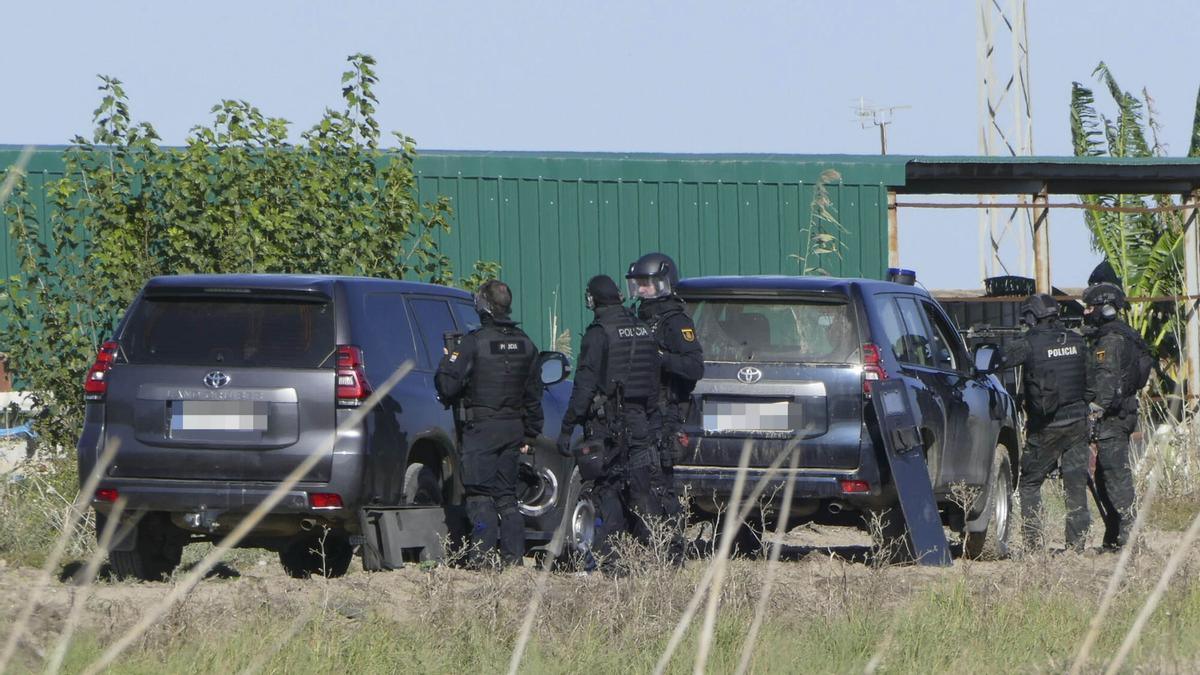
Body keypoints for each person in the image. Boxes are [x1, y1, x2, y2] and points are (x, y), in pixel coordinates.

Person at [435, 279, 543, 567]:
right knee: (507, 496)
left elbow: (447, 386)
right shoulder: (526, 343)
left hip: (481, 429)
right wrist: (530, 433)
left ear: (482, 305)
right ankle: (513, 560)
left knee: (479, 495)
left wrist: (447, 360)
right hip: (513, 431)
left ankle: (481, 559)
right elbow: (534, 395)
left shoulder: (473, 343)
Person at [557, 275, 661, 571]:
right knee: (641, 492)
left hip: (608, 428)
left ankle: (609, 562)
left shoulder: (598, 333)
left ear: (593, 299)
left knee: (608, 491)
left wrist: (568, 427)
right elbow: (653, 382)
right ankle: (652, 558)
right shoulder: (642, 329)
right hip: (640, 422)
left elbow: (584, 387)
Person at [999, 293, 1090, 552]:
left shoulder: (1029, 343)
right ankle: (1077, 545)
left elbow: (1000, 359)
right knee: (1075, 483)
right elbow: (1090, 380)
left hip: (1047, 427)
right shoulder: (1076, 340)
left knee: (1029, 483)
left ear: (1030, 316)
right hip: (1078, 422)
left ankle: (1033, 545)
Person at [626, 253, 704, 549]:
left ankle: (670, 546)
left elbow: (694, 366)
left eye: (648, 284)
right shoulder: (638, 319)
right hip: (639, 411)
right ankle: (643, 541)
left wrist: (660, 358)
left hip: (664, 410)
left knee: (659, 482)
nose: (642, 290)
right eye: (639, 284)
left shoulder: (675, 321)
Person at [1083, 281, 1147, 551]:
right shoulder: (1122, 334)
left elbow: (1107, 380)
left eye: (1091, 308)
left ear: (1106, 309)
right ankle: (1114, 537)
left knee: (1115, 476)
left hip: (1114, 416)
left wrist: (1094, 412)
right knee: (1104, 476)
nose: (1087, 313)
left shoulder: (1110, 340)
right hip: (1121, 412)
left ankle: (1130, 539)